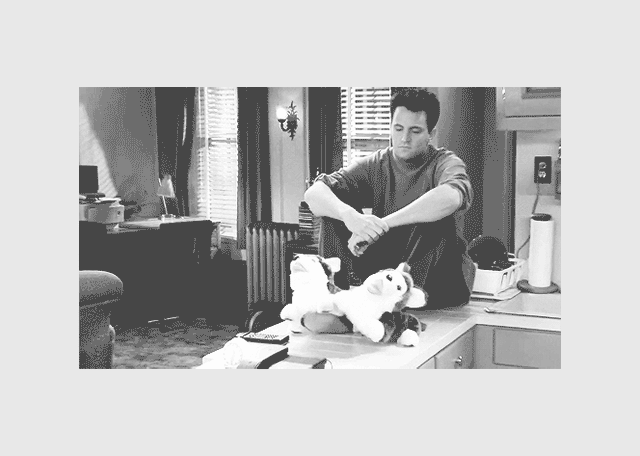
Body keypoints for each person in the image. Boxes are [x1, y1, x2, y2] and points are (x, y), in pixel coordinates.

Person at [301, 87, 476, 333]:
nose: (404, 138)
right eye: (398, 129)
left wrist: (382, 224)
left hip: (441, 284)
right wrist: (351, 218)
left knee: (434, 217)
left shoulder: (445, 163)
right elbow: (313, 195)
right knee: (334, 210)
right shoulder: (377, 163)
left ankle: (395, 311)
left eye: (415, 131)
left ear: (431, 134)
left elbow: (451, 197)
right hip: (389, 275)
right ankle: (339, 302)